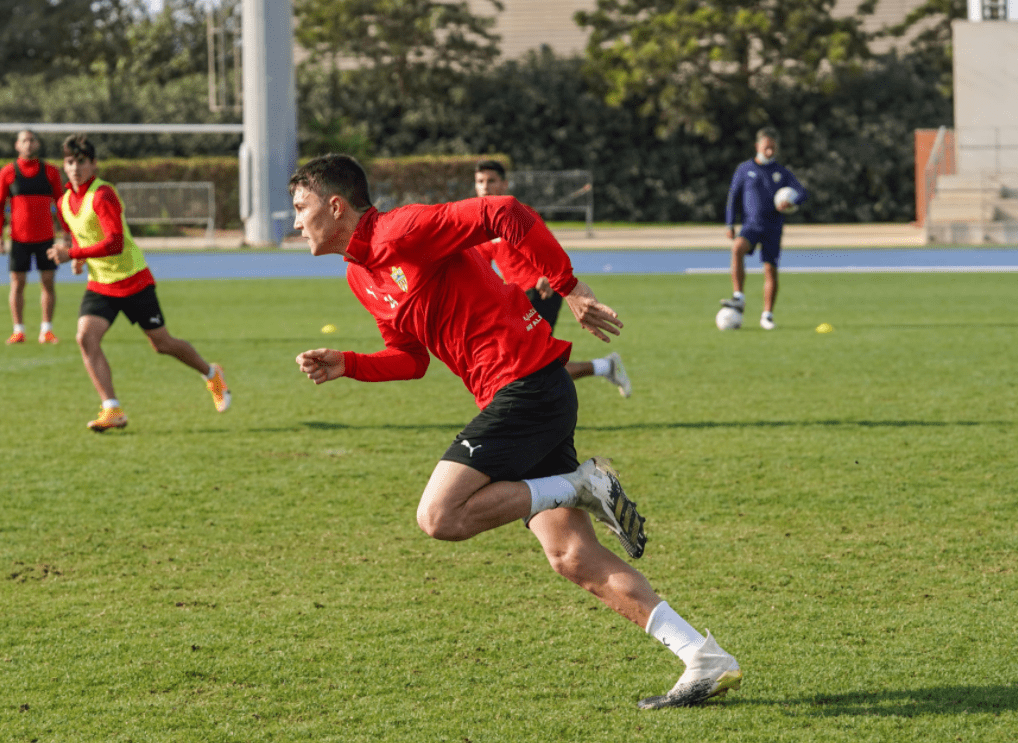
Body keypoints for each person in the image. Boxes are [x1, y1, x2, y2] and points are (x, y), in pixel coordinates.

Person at [291, 154, 741, 708]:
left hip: (525, 387)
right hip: (530, 395)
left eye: (300, 207)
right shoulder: (360, 275)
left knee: (440, 516)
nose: (294, 221)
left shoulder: (400, 229)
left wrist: (569, 287)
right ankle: (702, 656)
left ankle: (579, 485)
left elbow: (504, 211)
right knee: (571, 556)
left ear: (335, 206)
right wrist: (350, 363)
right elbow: (410, 358)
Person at [44, 134, 230, 432]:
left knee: (163, 344)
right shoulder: (65, 201)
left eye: (81, 162)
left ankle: (211, 373)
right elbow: (79, 234)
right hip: (101, 284)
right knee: (85, 338)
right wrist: (79, 258)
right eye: (69, 162)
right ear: (63, 166)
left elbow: (115, 242)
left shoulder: (103, 194)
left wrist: (73, 254)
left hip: (133, 280)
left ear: (93, 164)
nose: (75, 168)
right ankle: (112, 408)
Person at [472, 160, 631, 397]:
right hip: (517, 298)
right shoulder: (483, 222)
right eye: (480, 181)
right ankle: (604, 367)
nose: (485, 187)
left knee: (524, 366)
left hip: (540, 291)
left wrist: (548, 274)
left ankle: (600, 370)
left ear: (504, 184)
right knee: (526, 366)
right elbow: (480, 265)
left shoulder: (517, 212)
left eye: (491, 180)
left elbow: (548, 245)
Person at [722, 127, 807, 330]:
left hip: (773, 227)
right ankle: (739, 297)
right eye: (767, 147)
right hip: (751, 225)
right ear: (757, 146)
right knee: (737, 248)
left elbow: (802, 192)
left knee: (770, 269)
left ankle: (767, 316)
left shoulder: (781, 172)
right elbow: (733, 197)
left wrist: (792, 201)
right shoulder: (744, 169)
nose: (770, 152)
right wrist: (729, 223)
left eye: (773, 148)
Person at [0, 129, 67, 344]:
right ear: (17, 145)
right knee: (17, 283)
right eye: (24, 140)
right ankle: (18, 330)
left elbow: (61, 205)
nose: (28, 144)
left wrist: (67, 233)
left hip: (45, 238)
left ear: (37, 144)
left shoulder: (51, 172)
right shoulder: (7, 172)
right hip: (19, 239)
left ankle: (46, 330)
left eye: (32, 140)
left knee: (48, 282)